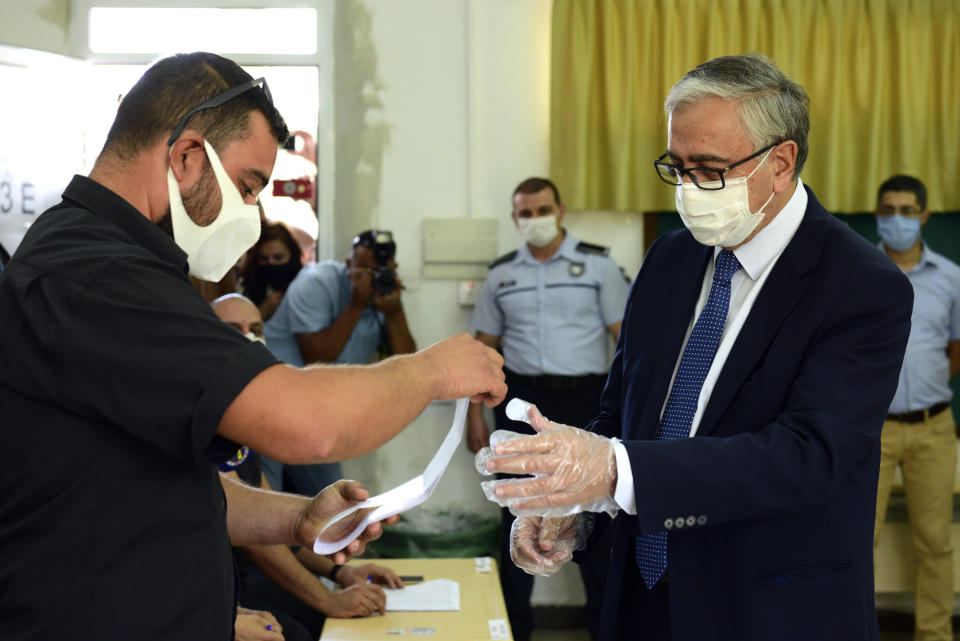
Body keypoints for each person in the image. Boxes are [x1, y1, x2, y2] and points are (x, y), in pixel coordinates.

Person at [0, 52, 505, 641]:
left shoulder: (128, 266)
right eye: (247, 187)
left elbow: (167, 481)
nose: (253, 214)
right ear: (188, 155)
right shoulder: (96, 274)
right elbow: (308, 422)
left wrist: (300, 517)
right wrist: (432, 371)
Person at [483, 53, 914, 641]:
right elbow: (623, 411)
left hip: (770, 609)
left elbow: (807, 455)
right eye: (676, 166)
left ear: (781, 161)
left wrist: (612, 471)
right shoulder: (670, 258)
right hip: (643, 601)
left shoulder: (861, 284)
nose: (688, 188)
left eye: (709, 168)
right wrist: (575, 508)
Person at [466, 176, 629, 641]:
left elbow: (626, 345)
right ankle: (513, 630)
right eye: (524, 212)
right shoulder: (501, 274)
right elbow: (483, 352)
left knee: (594, 514)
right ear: (515, 217)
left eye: (542, 210)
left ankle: (604, 628)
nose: (534, 219)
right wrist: (474, 416)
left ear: (560, 211)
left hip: (586, 400)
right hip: (519, 404)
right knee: (517, 513)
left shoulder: (597, 266)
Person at [213, 293, 402, 639]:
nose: (248, 337)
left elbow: (279, 529)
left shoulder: (241, 420)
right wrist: (329, 599)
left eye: (255, 328)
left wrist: (341, 573)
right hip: (218, 596)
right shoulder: (207, 421)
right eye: (233, 329)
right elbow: (258, 541)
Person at [871, 175, 960, 641]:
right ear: (876, 215)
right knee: (860, 541)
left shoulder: (950, 277)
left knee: (935, 543)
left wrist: (924, 388)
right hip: (870, 432)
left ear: (924, 216)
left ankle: (936, 635)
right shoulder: (859, 272)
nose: (898, 220)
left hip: (933, 429)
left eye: (908, 211)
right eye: (888, 210)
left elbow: (955, 348)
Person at [263, 229, 417, 494]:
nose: (373, 278)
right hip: (272, 402)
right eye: (364, 269)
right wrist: (356, 306)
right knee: (266, 493)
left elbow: (407, 364)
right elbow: (316, 357)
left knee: (328, 499)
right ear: (348, 264)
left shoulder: (386, 293)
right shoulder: (316, 283)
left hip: (318, 411)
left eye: (380, 271)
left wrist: (394, 312)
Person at [240, 221, 303, 321]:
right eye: (264, 259)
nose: (271, 263)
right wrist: (263, 311)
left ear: (292, 255)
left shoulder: (304, 285)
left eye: (278, 257)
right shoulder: (245, 287)